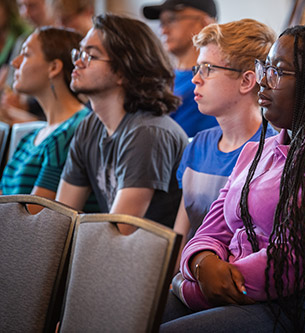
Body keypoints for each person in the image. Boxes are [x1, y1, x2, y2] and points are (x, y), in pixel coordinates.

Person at [160, 25, 305, 332]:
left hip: (303, 305)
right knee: (130, 312)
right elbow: (211, 227)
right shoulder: (265, 147)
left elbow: (293, 263)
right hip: (242, 288)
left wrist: (192, 287)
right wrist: (202, 263)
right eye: (264, 68)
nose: (263, 82)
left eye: (278, 71)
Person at [56, 14, 188, 233]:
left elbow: (118, 232)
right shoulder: (89, 127)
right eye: (79, 52)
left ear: (123, 71)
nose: (77, 62)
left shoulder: (148, 132)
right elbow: (60, 219)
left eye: (90, 55)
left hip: (146, 262)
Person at [173, 19, 278, 254]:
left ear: (246, 81)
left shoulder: (271, 153)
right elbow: (182, 235)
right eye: (197, 68)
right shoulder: (198, 145)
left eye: (208, 69)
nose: (195, 79)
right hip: (186, 278)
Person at [0, 27, 89, 204]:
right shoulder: (29, 138)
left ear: (54, 67)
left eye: (25, 54)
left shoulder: (77, 128)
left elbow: (34, 218)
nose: (15, 63)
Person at [143, 0, 218, 137]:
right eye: (161, 22)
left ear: (205, 24)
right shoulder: (159, 78)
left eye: (171, 19)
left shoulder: (211, 83)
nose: (163, 30)